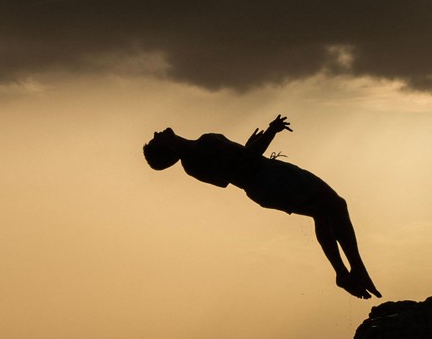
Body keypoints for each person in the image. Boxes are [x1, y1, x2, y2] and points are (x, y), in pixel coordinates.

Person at [143, 115, 382, 298]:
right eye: (155, 138)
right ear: (169, 149)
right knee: (335, 206)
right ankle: (355, 269)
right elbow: (246, 162)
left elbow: (232, 172)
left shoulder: (192, 165)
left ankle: (343, 272)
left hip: (262, 188)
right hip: (270, 178)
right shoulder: (201, 147)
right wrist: (271, 132)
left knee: (322, 212)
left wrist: (249, 146)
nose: (156, 132)